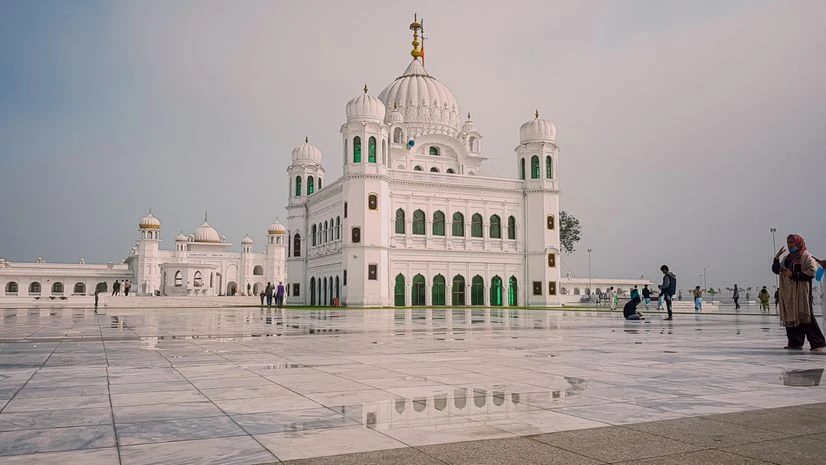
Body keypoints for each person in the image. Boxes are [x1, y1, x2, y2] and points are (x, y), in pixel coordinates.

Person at [771, 233, 825, 351]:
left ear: (798, 243)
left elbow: (813, 274)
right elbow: (776, 270)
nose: (789, 245)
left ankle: (817, 343)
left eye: (792, 242)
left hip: (802, 293)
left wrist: (793, 274)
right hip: (789, 294)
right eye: (788, 242)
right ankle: (795, 342)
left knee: (805, 317)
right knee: (791, 317)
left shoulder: (806, 257)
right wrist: (776, 259)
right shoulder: (787, 258)